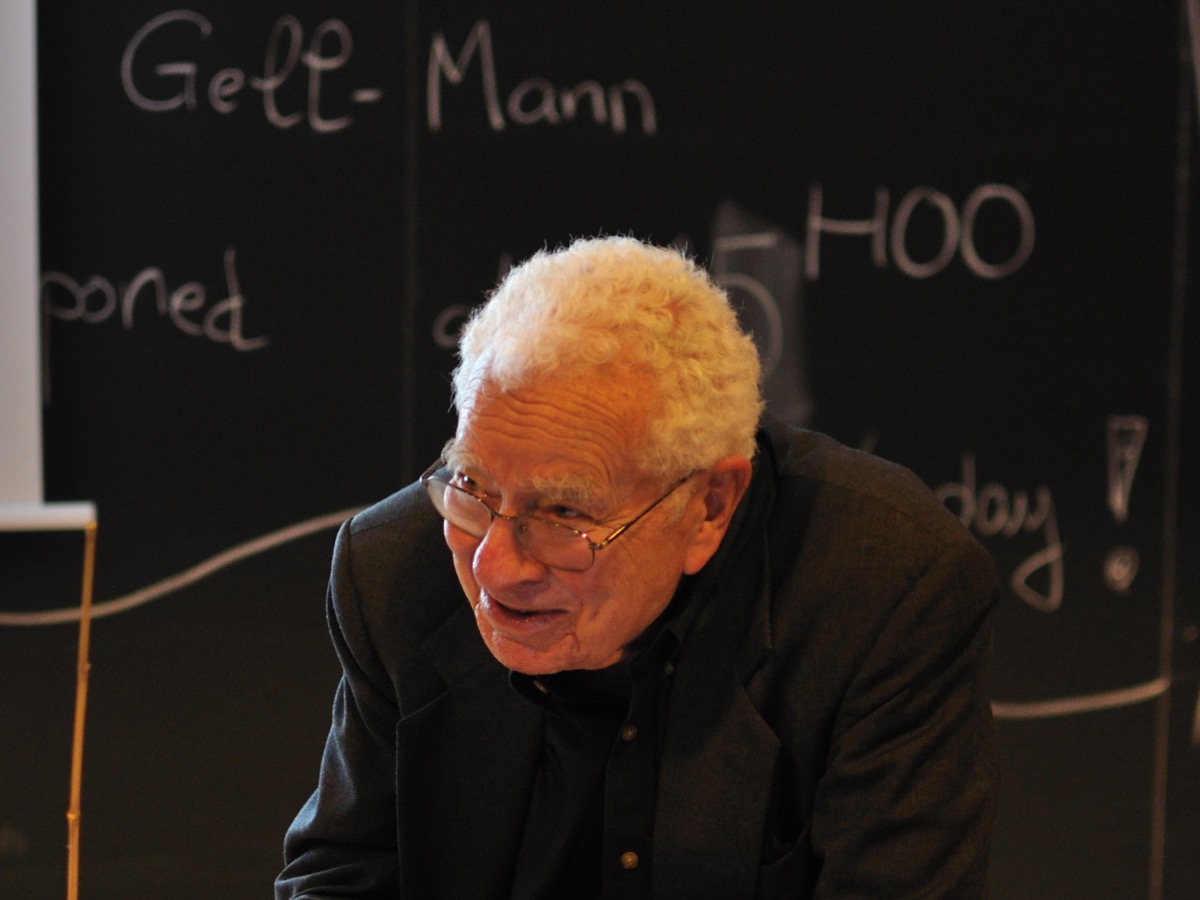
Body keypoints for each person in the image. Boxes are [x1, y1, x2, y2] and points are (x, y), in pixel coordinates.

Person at [276, 236, 999, 899]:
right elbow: (342, 875)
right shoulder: (394, 569)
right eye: (472, 486)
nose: (495, 566)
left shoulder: (885, 589)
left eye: (564, 514)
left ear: (710, 507)